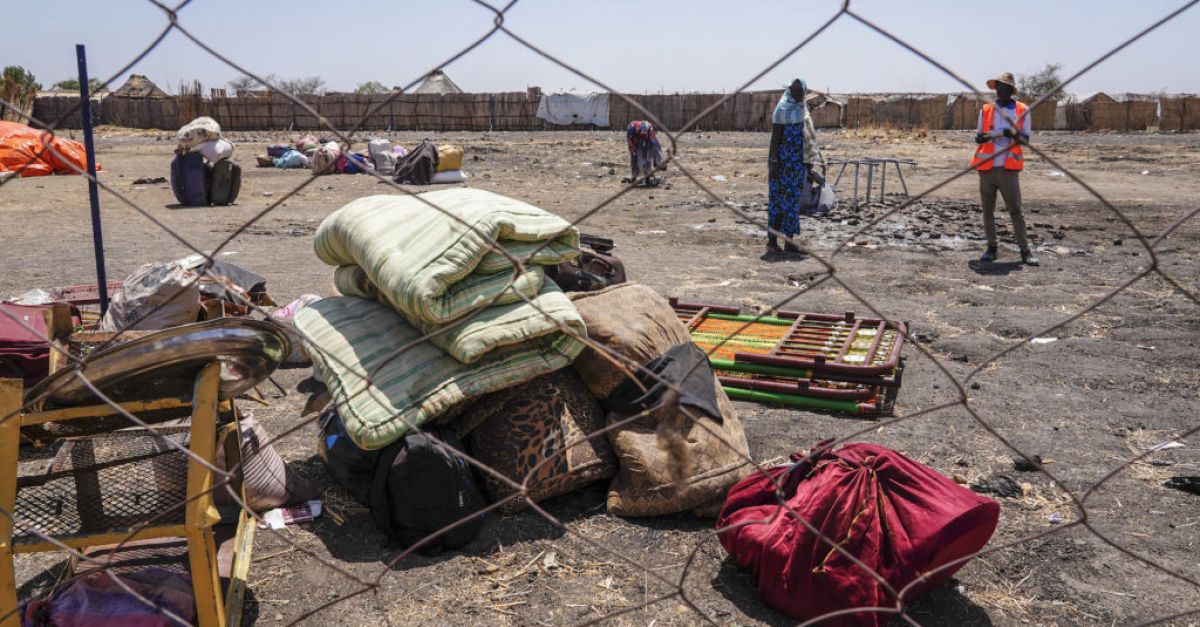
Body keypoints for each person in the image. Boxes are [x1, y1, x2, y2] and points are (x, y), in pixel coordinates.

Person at [972, 72, 1038, 266]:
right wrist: (985, 136)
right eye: (997, 87)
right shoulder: (986, 110)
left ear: (1011, 89)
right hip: (986, 168)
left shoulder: (1022, 110)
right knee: (987, 211)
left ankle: (1025, 251)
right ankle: (992, 248)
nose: (999, 90)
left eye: (1003, 87)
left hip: (1008, 169)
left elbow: (1025, 140)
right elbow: (978, 137)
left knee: (1016, 211)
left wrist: (1010, 133)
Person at [768, 79, 824, 255]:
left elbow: (809, 142)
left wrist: (809, 167)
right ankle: (772, 242)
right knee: (777, 202)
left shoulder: (803, 111)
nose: (799, 94)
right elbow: (775, 140)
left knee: (792, 204)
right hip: (782, 165)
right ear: (790, 91)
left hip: (798, 166)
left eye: (801, 92)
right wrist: (773, 164)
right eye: (796, 91)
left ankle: (789, 242)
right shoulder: (781, 110)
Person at [626, 120, 664, 186]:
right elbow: (631, 144)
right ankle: (634, 178)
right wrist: (634, 152)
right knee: (634, 159)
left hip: (647, 140)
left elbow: (654, 145)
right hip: (637, 139)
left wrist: (654, 161)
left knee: (647, 158)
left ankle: (647, 178)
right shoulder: (631, 130)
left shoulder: (648, 132)